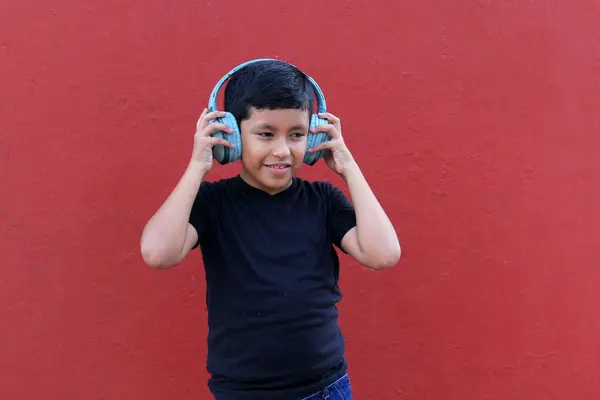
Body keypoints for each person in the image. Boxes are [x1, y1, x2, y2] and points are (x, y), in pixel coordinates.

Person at [140, 59, 401, 400]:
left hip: (326, 389)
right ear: (229, 135)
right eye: (265, 134)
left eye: (297, 135)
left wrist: (349, 169)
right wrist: (197, 167)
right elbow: (157, 253)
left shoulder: (322, 201)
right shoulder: (213, 203)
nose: (282, 150)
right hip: (244, 393)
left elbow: (384, 254)